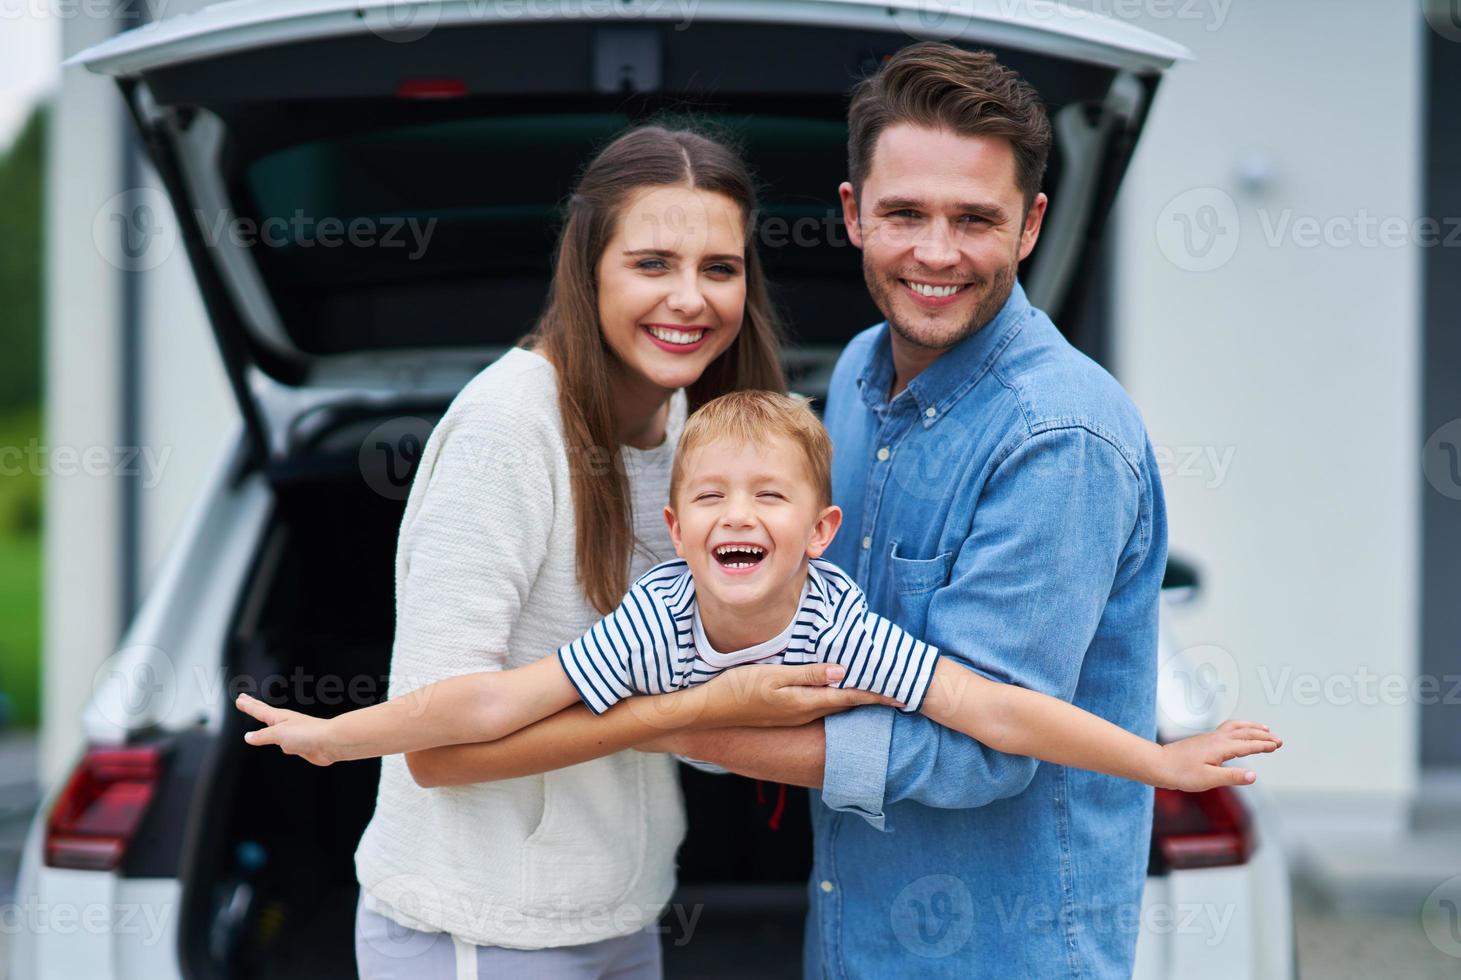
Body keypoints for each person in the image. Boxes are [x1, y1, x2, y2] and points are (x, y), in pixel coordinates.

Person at [649, 43, 1183, 978]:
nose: (936, 253)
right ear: (853, 214)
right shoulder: (855, 375)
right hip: (853, 938)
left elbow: (982, 752)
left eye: (974, 219)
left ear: (1029, 226)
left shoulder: (1061, 438)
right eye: (904, 213)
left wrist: (666, 724)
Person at [343, 124, 892, 980]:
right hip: (481, 931)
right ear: (588, 265)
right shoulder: (507, 433)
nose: (690, 299)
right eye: (651, 265)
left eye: (719, 268)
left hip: (621, 915)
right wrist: (687, 713)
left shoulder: (694, 436)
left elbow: (692, 671)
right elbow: (433, 744)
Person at [237, 391, 1279, 799]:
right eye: (712, 498)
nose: (741, 516)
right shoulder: (657, 616)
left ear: (822, 533)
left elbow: (991, 705)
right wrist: (342, 731)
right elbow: (493, 701)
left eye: (771, 495)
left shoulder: (835, 622)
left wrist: (1156, 756)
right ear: (676, 531)